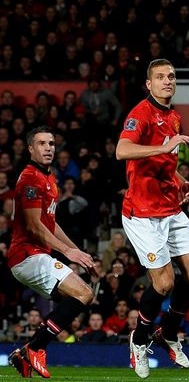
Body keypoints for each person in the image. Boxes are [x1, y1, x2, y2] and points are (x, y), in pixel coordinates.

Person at [116, 59, 189, 378]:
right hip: (142, 214)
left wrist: (179, 179)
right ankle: (138, 340)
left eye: (171, 76)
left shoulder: (174, 116)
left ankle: (167, 333)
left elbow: (164, 160)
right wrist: (164, 146)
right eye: (160, 77)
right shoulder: (140, 114)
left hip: (171, 208)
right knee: (164, 283)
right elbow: (122, 151)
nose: (168, 81)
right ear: (149, 84)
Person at [8, 126, 98, 379]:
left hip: (37, 255)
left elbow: (50, 223)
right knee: (83, 294)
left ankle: (26, 354)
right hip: (26, 255)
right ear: (30, 148)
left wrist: (77, 251)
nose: (48, 148)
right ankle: (35, 348)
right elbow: (35, 226)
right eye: (41, 143)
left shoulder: (49, 178)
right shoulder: (29, 178)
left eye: (51, 143)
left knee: (80, 297)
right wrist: (68, 252)